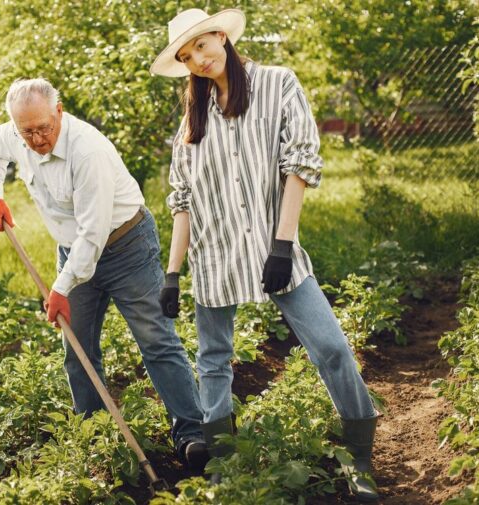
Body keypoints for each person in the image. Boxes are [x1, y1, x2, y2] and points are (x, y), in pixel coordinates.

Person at [150, 8, 380, 500]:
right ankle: (224, 466)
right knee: (213, 359)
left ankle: (359, 458)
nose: (198, 60)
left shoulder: (277, 84)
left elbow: (299, 161)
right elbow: (184, 201)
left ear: (222, 36)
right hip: (215, 256)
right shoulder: (193, 121)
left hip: (272, 248)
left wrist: (282, 242)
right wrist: (171, 274)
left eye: (202, 46)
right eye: (187, 56)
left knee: (332, 349)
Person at [0, 77, 208, 470]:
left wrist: (60, 287)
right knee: (78, 349)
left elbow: (93, 234)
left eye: (44, 128)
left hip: (125, 246)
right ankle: (93, 437)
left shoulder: (88, 152)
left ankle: (191, 433)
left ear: (59, 111)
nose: (36, 139)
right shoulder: (16, 135)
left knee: (156, 340)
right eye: (27, 131)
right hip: (74, 251)